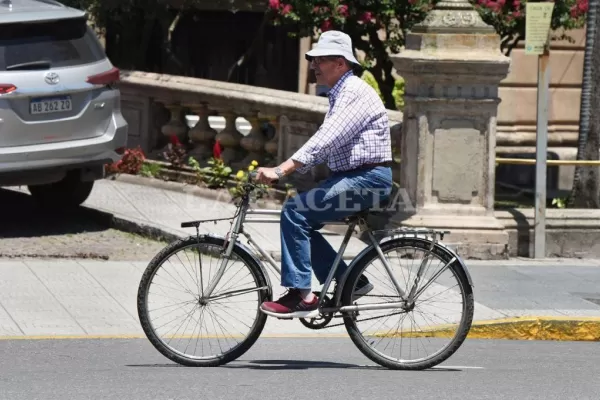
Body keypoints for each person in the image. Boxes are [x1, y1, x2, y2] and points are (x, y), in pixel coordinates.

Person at [254, 30, 393, 318]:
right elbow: (327, 146)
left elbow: (326, 139)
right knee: (301, 219)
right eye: (312, 59)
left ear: (341, 63)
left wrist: (282, 170)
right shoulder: (340, 93)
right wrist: (293, 171)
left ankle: (302, 296)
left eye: (320, 60)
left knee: (295, 212)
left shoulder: (353, 92)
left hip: (366, 180)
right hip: (355, 178)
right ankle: (349, 282)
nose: (313, 65)